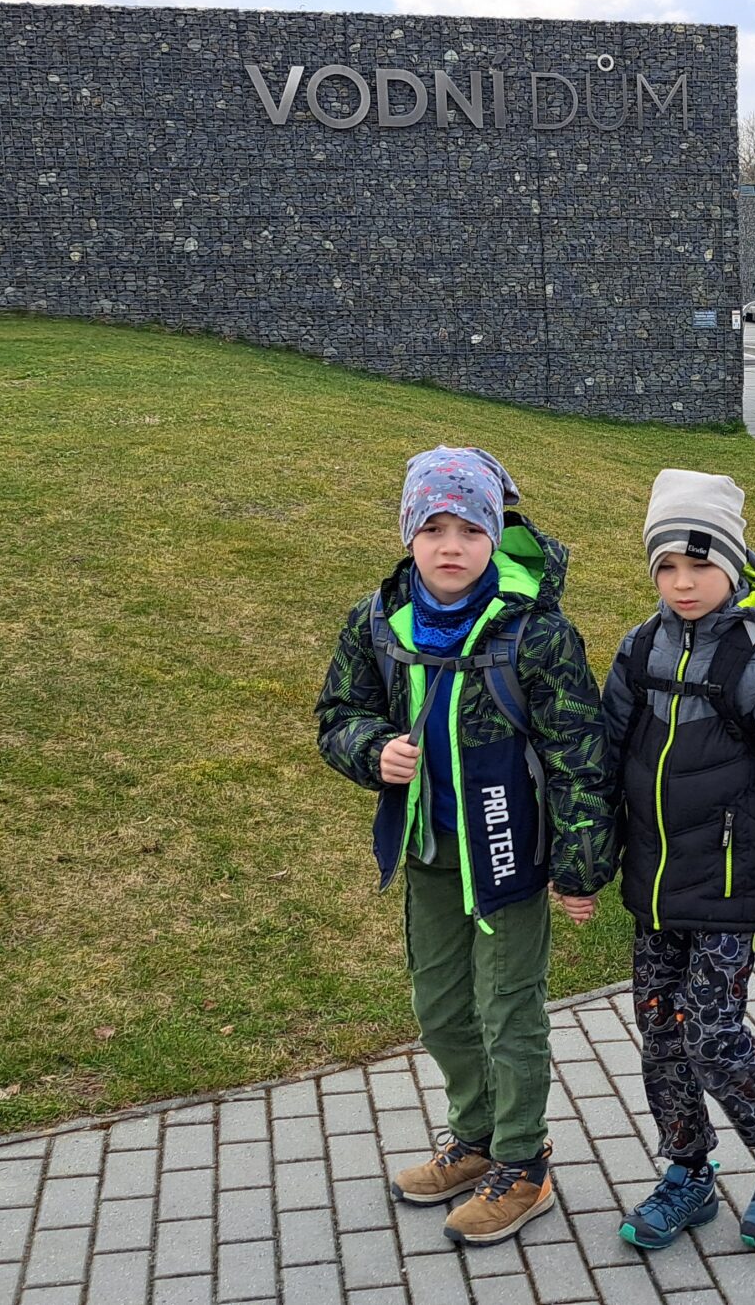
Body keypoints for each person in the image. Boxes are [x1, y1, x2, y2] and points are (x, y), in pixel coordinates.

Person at [315, 447, 616, 1245]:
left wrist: (581, 866)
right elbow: (338, 714)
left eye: (471, 529)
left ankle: (523, 1163)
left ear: (494, 534)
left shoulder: (537, 632)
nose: (451, 546)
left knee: (508, 1010)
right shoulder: (377, 621)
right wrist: (371, 749)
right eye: (434, 529)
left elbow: (579, 753)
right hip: (428, 849)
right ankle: (475, 1139)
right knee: (441, 1007)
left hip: (509, 851)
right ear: (408, 533)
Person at [598, 469, 755, 1253]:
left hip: (732, 888)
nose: (682, 583)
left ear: (733, 564)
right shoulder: (640, 648)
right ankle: (688, 1173)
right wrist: (582, 868)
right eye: (666, 566)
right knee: (661, 1036)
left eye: (699, 565)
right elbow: (601, 765)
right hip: (656, 888)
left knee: (710, 1034)